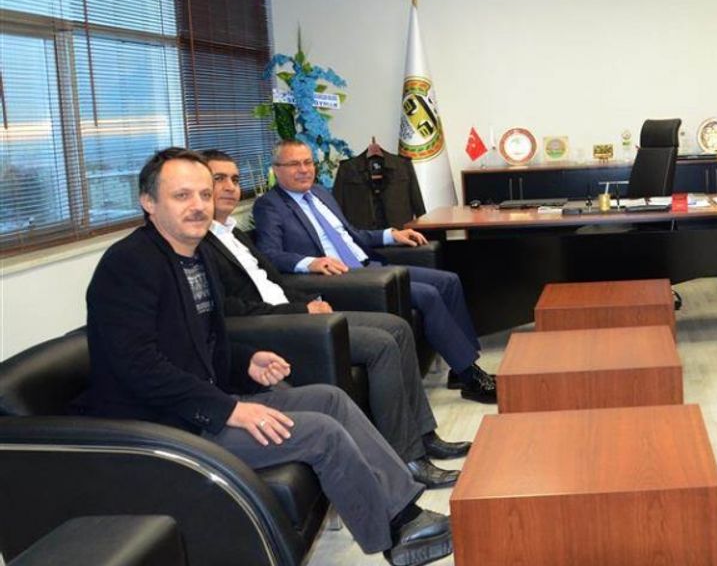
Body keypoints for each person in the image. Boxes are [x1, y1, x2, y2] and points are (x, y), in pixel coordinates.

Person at [74, 148, 452, 566]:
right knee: (321, 433)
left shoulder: (196, 256)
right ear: (148, 202)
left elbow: (203, 342)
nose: (198, 205)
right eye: (182, 196)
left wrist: (246, 361)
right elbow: (138, 366)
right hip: (166, 426)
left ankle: (406, 512)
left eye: (204, 194)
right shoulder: (128, 265)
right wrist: (229, 410)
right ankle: (395, 536)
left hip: (203, 403)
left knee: (330, 399)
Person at [200, 149, 469, 488]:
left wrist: (308, 301)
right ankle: (408, 459)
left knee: (399, 328)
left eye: (235, 179)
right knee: (382, 344)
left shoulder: (233, 232)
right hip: (276, 328)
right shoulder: (202, 243)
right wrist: (301, 309)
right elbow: (234, 305)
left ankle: (423, 436)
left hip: (295, 310)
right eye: (218, 179)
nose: (229, 187)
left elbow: (273, 282)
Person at [253, 140, 496, 404]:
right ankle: (471, 378)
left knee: (448, 281)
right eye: (294, 164)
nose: (303, 170)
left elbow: (352, 235)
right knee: (427, 295)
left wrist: (391, 235)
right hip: (343, 278)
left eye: (308, 162)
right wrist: (309, 262)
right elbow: (268, 254)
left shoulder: (321, 193)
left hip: (369, 265)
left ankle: (461, 368)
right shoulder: (269, 205)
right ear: (276, 169)